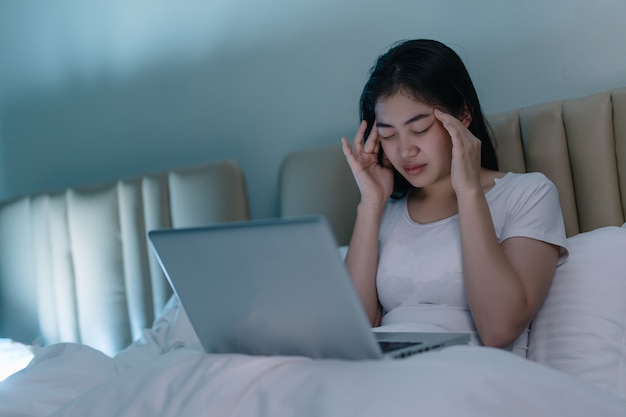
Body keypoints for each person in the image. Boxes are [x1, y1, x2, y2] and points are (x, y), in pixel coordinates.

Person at [340, 39, 568, 356]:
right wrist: (371, 204)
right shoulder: (385, 212)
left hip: (470, 376)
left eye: (419, 128)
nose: (405, 151)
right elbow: (351, 331)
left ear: (462, 116)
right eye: (389, 135)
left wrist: (469, 190)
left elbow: (499, 329)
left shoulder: (527, 194)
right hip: (385, 375)